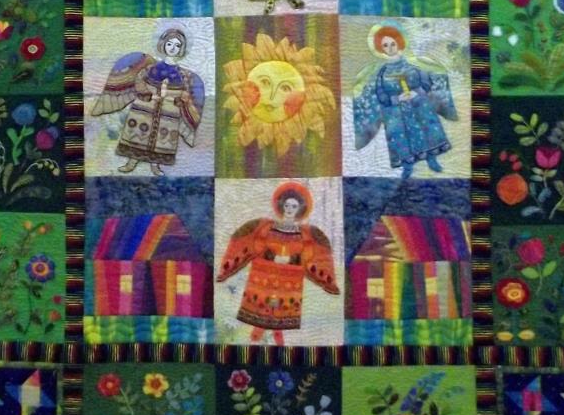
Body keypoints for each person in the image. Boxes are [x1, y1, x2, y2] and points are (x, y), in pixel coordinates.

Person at [216, 182, 339, 345]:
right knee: (263, 312)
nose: (289, 209)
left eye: (294, 206)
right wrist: (272, 257)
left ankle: (267, 342)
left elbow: (313, 256)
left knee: (279, 314)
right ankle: (256, 341)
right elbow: (251, 245)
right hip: (263, 278)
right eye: (287, 205)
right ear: (281, 206)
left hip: (289, 282)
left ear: (300, 209)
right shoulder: (265, 227)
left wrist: (290, 260)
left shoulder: (306, 234)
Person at [91, 27, 204, 176]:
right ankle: (131, 162)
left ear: (182, 49)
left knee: (162, 137)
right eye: (169, 44)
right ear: (163, 44)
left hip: (168, 111)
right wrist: (146, 93)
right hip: (145, 106)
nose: (173, 48)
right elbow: (139, 80)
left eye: (177, 45)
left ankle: (155, 165)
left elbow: (186, 93)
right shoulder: (151, 67)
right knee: (138, 132)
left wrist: (179, 98)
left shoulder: (183, 75)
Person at [353, 23, 457, 179]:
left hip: (419, 105)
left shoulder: (415, 65)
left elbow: (427, 82)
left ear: (399, 42)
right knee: (400, 136)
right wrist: (396, 99)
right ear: (380, 48)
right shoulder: (382, 73)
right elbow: (380, 94)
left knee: (426, 129)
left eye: (392, 43)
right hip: (396, 111)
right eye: (385, 45)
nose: (390, 48)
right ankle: (407, 165)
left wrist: (417, 93)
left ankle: (432, 159)